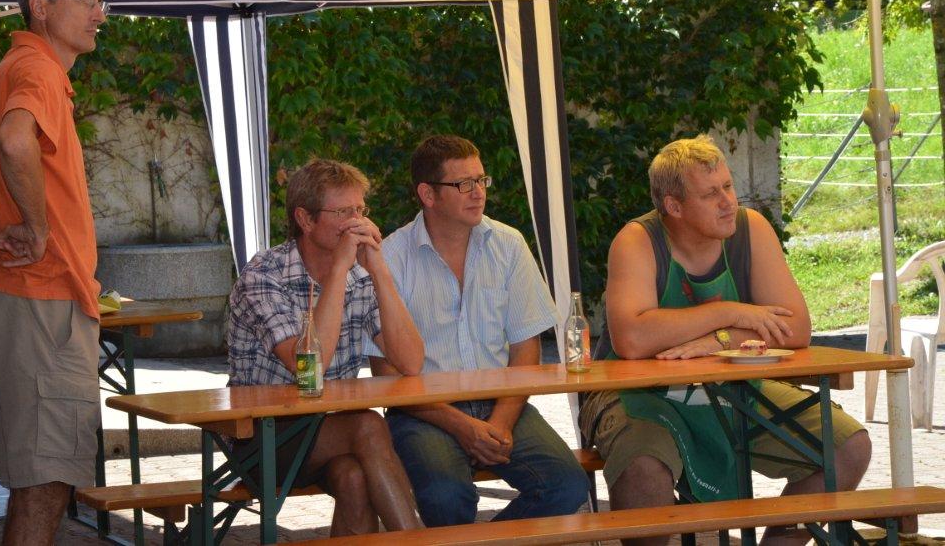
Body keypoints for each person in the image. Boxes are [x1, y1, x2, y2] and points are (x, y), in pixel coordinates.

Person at [579, 134, 871, 546]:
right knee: (644, 468)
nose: (728, 202)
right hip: (636, 393)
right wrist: (730, 313)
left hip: (734, 388)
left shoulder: (751, 229)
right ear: (673, 206)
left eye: (728, 187)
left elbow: (796, 328)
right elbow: (632, 339)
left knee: (847, 447)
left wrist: (722, 339)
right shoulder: (637, 240)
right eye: (710, 194)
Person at [368, 135, 589, 527]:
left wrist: (501, 421)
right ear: (428, 194)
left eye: (481, 180)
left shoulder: (508, 244)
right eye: (463, 184)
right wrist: (461, 427)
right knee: (447, 496)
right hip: (424, 412)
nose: (478, 192)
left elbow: (526, 350)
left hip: (501, 403)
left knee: (567, 485)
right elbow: (385, 374)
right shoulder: (390, 258)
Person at [0, 0, 108, 545]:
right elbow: (14, 139)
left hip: (30, 298)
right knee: (46, 482)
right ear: (40, 7)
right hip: (39, 297)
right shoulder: (38, 69)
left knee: (41, 480)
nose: (100, 13)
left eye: (100, 0)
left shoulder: (20, 67)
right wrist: (40, 226)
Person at [227, 159, 424, 536]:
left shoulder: (361, 275)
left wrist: (380, 271)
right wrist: (337, 272)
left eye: (361, 210)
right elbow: (309, 369)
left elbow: (411, 361)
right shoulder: (263, 275)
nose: (357, 223)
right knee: (368, 424)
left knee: (354, 477)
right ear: (305, 219)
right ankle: (418, 541)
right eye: (343, 212)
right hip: (261, 435)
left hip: (332, 430)